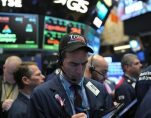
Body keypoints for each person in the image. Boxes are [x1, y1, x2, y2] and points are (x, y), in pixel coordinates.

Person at [27, 33, 113, 118]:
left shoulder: (99, 89)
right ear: (60, 61)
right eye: (73, 64)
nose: (79, 71)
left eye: (83, 64)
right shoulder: (41, 95)